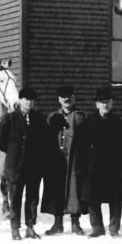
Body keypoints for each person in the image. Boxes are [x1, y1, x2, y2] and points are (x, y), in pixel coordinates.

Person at [0, 86, 45, 240]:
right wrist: (13, 151)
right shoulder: (10, 118)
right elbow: (0, 141)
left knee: (32, 199)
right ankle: (15, 229)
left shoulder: (39, 118)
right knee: (15, 199)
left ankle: (30, 227)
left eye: (32, 100)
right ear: (20, 100)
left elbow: (44, 140)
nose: (29, 103)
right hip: (15, 166)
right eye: (26, 100)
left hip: (33, 166)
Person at [83, 87, 122, 238]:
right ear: (96, 104)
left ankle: (114, 228)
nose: (105, 105)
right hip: (93, 168)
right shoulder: (88, 123)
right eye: (102, 102)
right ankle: (97, 228)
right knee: (93, 199)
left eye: (108, 102)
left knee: (115, 199)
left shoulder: (119, 123)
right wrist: (82, 168)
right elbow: (81, 147)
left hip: (113, 167)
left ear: (112, 103)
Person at [43, 83, 87, 235]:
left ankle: (75, 222)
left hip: (74, 159)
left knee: (75, 189)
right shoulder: (52, 117)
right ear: (59, 99)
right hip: (56, 160)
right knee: (56, 189)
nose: (66, 100)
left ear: (74, 98)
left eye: (69, 97)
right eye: (63, 97)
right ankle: (58, 223)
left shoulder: (81, 116)